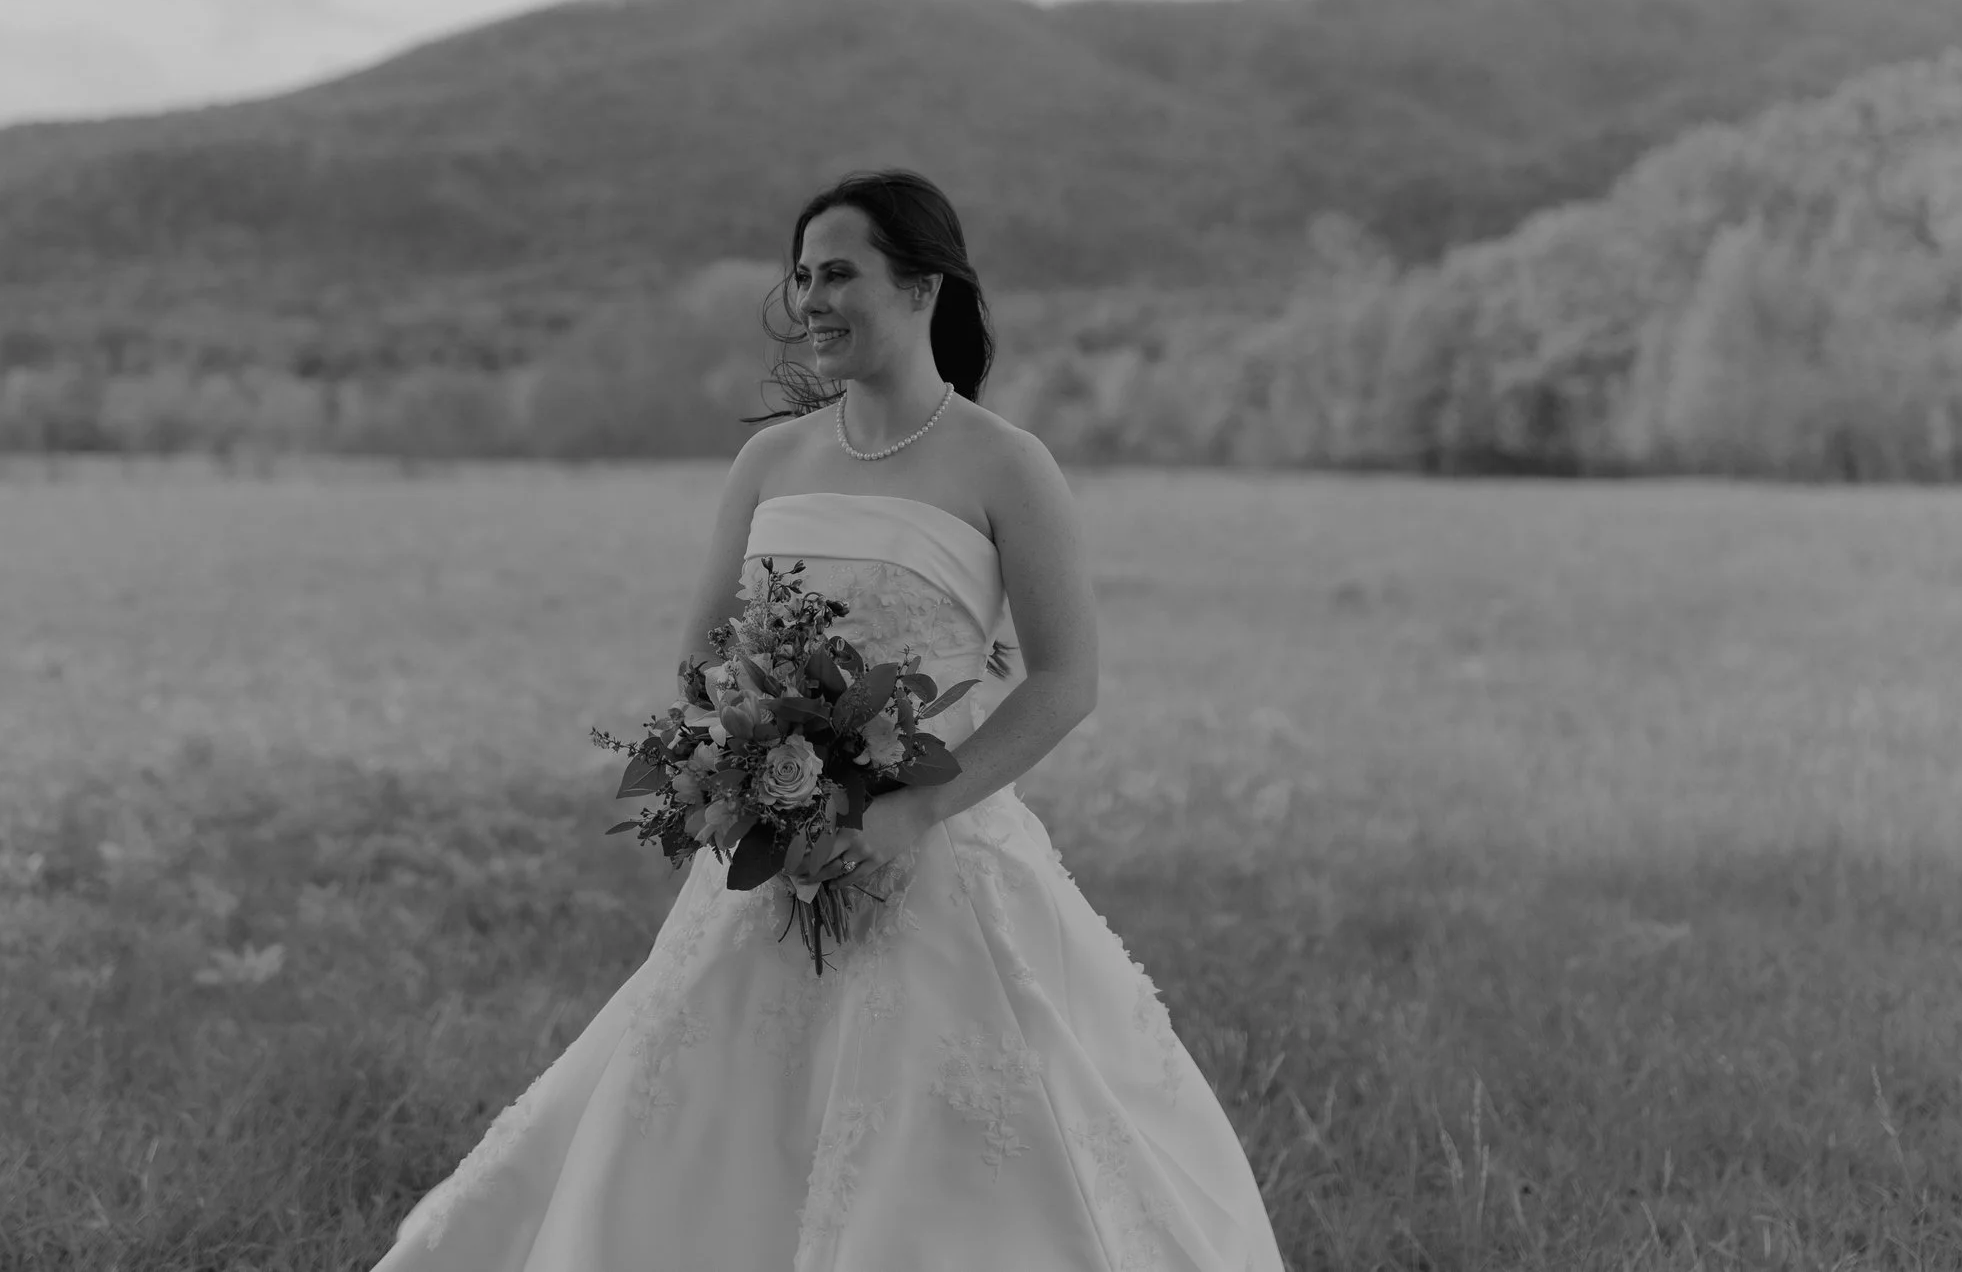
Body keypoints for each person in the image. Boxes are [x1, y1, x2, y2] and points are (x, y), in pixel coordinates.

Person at [370, 171, 1284, 1271]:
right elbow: (704, 656)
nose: (808, 298)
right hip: (769, 861)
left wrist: (916, 806)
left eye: (837, 272)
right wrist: (747, 767)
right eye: (800, 274)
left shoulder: (1006, 463)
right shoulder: (770, 457)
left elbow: (1063, 680)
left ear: (923, 284)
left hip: (936, 856)